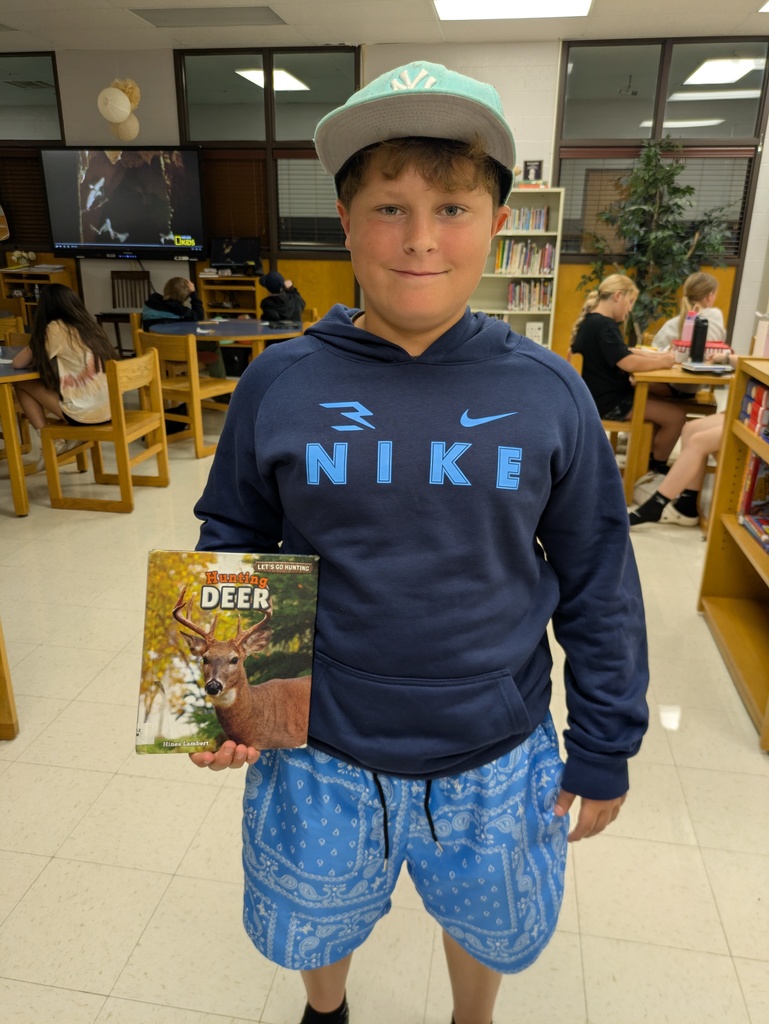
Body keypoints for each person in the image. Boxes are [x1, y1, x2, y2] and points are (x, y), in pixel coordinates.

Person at [190, 61, 649, 1024]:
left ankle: (468, 1019)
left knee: (485, 927)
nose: (420, 239)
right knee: (314, 921)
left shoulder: (546, 390)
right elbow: (235, 536)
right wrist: (217, 707)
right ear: (346, 222)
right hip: (318, 740)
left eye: (451, 206)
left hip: (493, 744)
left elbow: (597, 573)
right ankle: (327, 1009)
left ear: (494, 222)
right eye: (389, 207)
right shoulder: (280, 384)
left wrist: (603, 743)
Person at [570, 274, 688, 476]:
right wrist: (664, 361)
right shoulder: (604, 326)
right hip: (608, 402)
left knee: (661, 399)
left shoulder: (593, 322)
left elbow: (624, 351)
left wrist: (652, 356)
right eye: (630, 301)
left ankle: (647, 461)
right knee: (677, 417)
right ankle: (654, 468)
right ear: (618, 296)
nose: (631, 308)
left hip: (597, 396)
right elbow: (628, 362)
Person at [11, 283, 115, 470]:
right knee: (48, 385)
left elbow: (18, 363)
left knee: (22, 383)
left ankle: (49, 441)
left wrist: (37, 338)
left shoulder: (55, 328)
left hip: (86, 415)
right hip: (110, 409)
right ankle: (54, 441)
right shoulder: (89, 326)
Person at [629, 350, 738, 527]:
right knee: (690, 429)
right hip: (750, 416)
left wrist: (726, 358)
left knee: (699, 441)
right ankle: (686, 506)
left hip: (758, 425)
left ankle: (656, 504)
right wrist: (726, 358)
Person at [650, 271, 727, 396]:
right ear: (709, 296)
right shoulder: (716, 317)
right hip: (696, 387)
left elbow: (654, 353)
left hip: (672, 386)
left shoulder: (673, 324)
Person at [141, 276, 226, 378]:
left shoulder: (151, 302)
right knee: (213, 347)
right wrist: (193, 293)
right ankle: (221, 389)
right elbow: (199, 316)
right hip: (175, 349)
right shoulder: (179, 310)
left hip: (153, 347)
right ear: (184, 297)